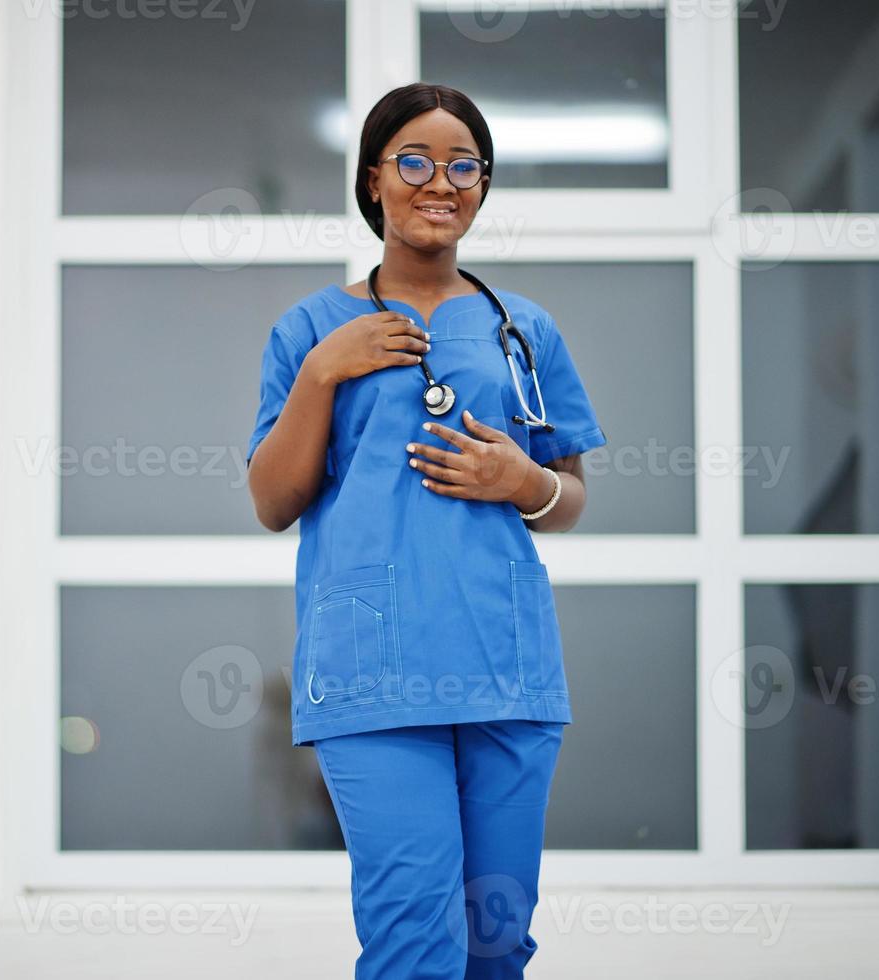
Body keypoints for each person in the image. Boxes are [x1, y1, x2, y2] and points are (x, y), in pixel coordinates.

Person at [245, 82, 607, 979]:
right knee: (413, 941)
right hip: (372, 677)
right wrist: (321, 376)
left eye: (462, 166)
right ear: (373, 181)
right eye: (413, 161)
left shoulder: (526, 330)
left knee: (498, 943)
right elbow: (271, 500)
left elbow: (568, 501)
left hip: (505, 666)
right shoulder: (309, 330)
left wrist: (522, 481)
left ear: (481, 187)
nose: (437, 182)